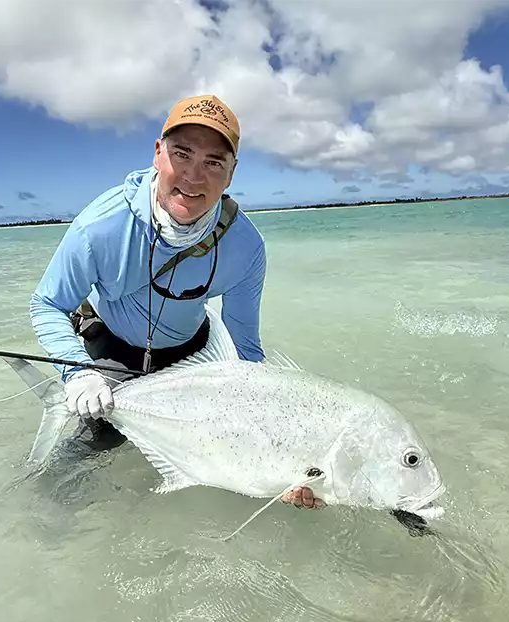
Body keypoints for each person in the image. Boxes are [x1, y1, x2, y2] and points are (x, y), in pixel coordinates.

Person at [29, 94, 323, 510]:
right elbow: (47, 304)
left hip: (195, 355)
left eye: (213, 162)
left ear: (232, 173)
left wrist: (280, 455)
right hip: (110, 352)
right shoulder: (100, 227)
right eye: (181, 154)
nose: (193, 176)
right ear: (157, 153)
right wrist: (76, 373)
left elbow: (244, 352)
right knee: (79, 463)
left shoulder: (245, 247)